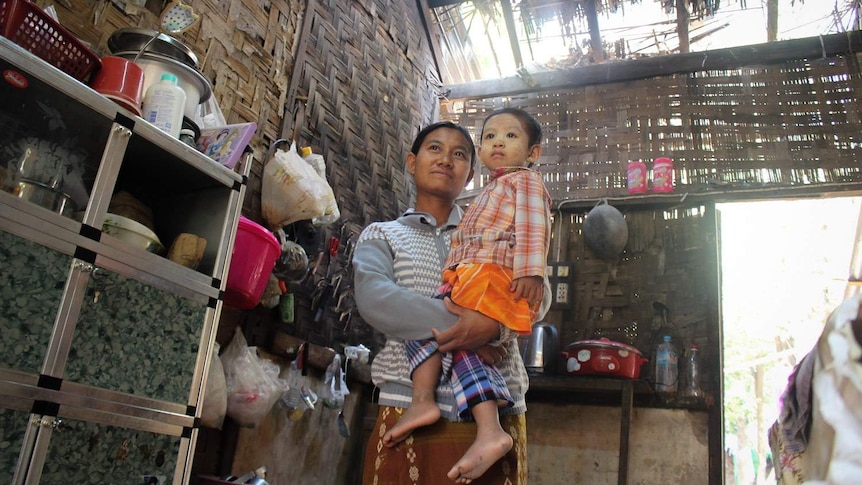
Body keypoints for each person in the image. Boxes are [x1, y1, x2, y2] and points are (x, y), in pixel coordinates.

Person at [354, 119, 549, 485]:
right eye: (434, 148)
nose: (446, 159)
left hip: (499, 409)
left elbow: (540, 292)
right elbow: (376, 299)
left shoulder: (496, 228)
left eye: (459, 154)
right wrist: (472, 328)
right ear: (412, 162)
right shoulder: (382, 234)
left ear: (471, 172)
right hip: (405, 403)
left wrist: (493, 325)